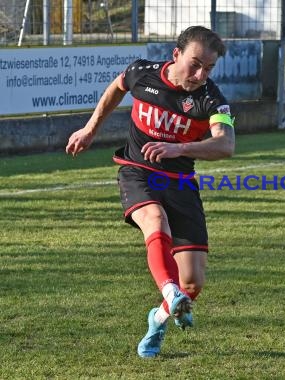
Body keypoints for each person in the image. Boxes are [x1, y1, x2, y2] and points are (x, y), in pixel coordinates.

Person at [65, 26, 235, 358]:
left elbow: (226, 144)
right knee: (154, 220)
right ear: (176, 55)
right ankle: (171, 294)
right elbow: (117, 88)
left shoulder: (209, 98)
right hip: (138, 171)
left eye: (209, 68)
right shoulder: (142, 74)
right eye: (195, 64)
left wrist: (179, 149)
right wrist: (90, 129)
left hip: (180, 184)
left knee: (193, 283)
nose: (201, 74)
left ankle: (158, 320)